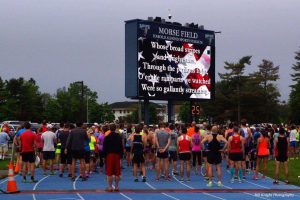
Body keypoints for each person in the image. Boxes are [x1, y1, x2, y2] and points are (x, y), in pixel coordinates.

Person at [103, 123, 123, 192]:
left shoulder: (107, 137)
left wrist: (104, 157)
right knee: (117, 172)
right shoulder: (119, 137)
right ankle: (117, 187)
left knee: (109, 172)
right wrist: (121, 156)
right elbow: (121, 147)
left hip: (109, 155)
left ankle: (110, 187)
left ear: (109, 129)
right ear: (115, 128)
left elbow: (104, 148)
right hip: (117, 155)